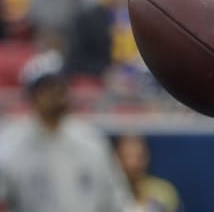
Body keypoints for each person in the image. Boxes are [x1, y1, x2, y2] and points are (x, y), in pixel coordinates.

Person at [0, 52, 129, 212]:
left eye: (61, 86)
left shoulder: (90, 140)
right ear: (32, 95)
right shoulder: (11, 145)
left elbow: (117, 199)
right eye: (48, 87)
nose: (57, 93)